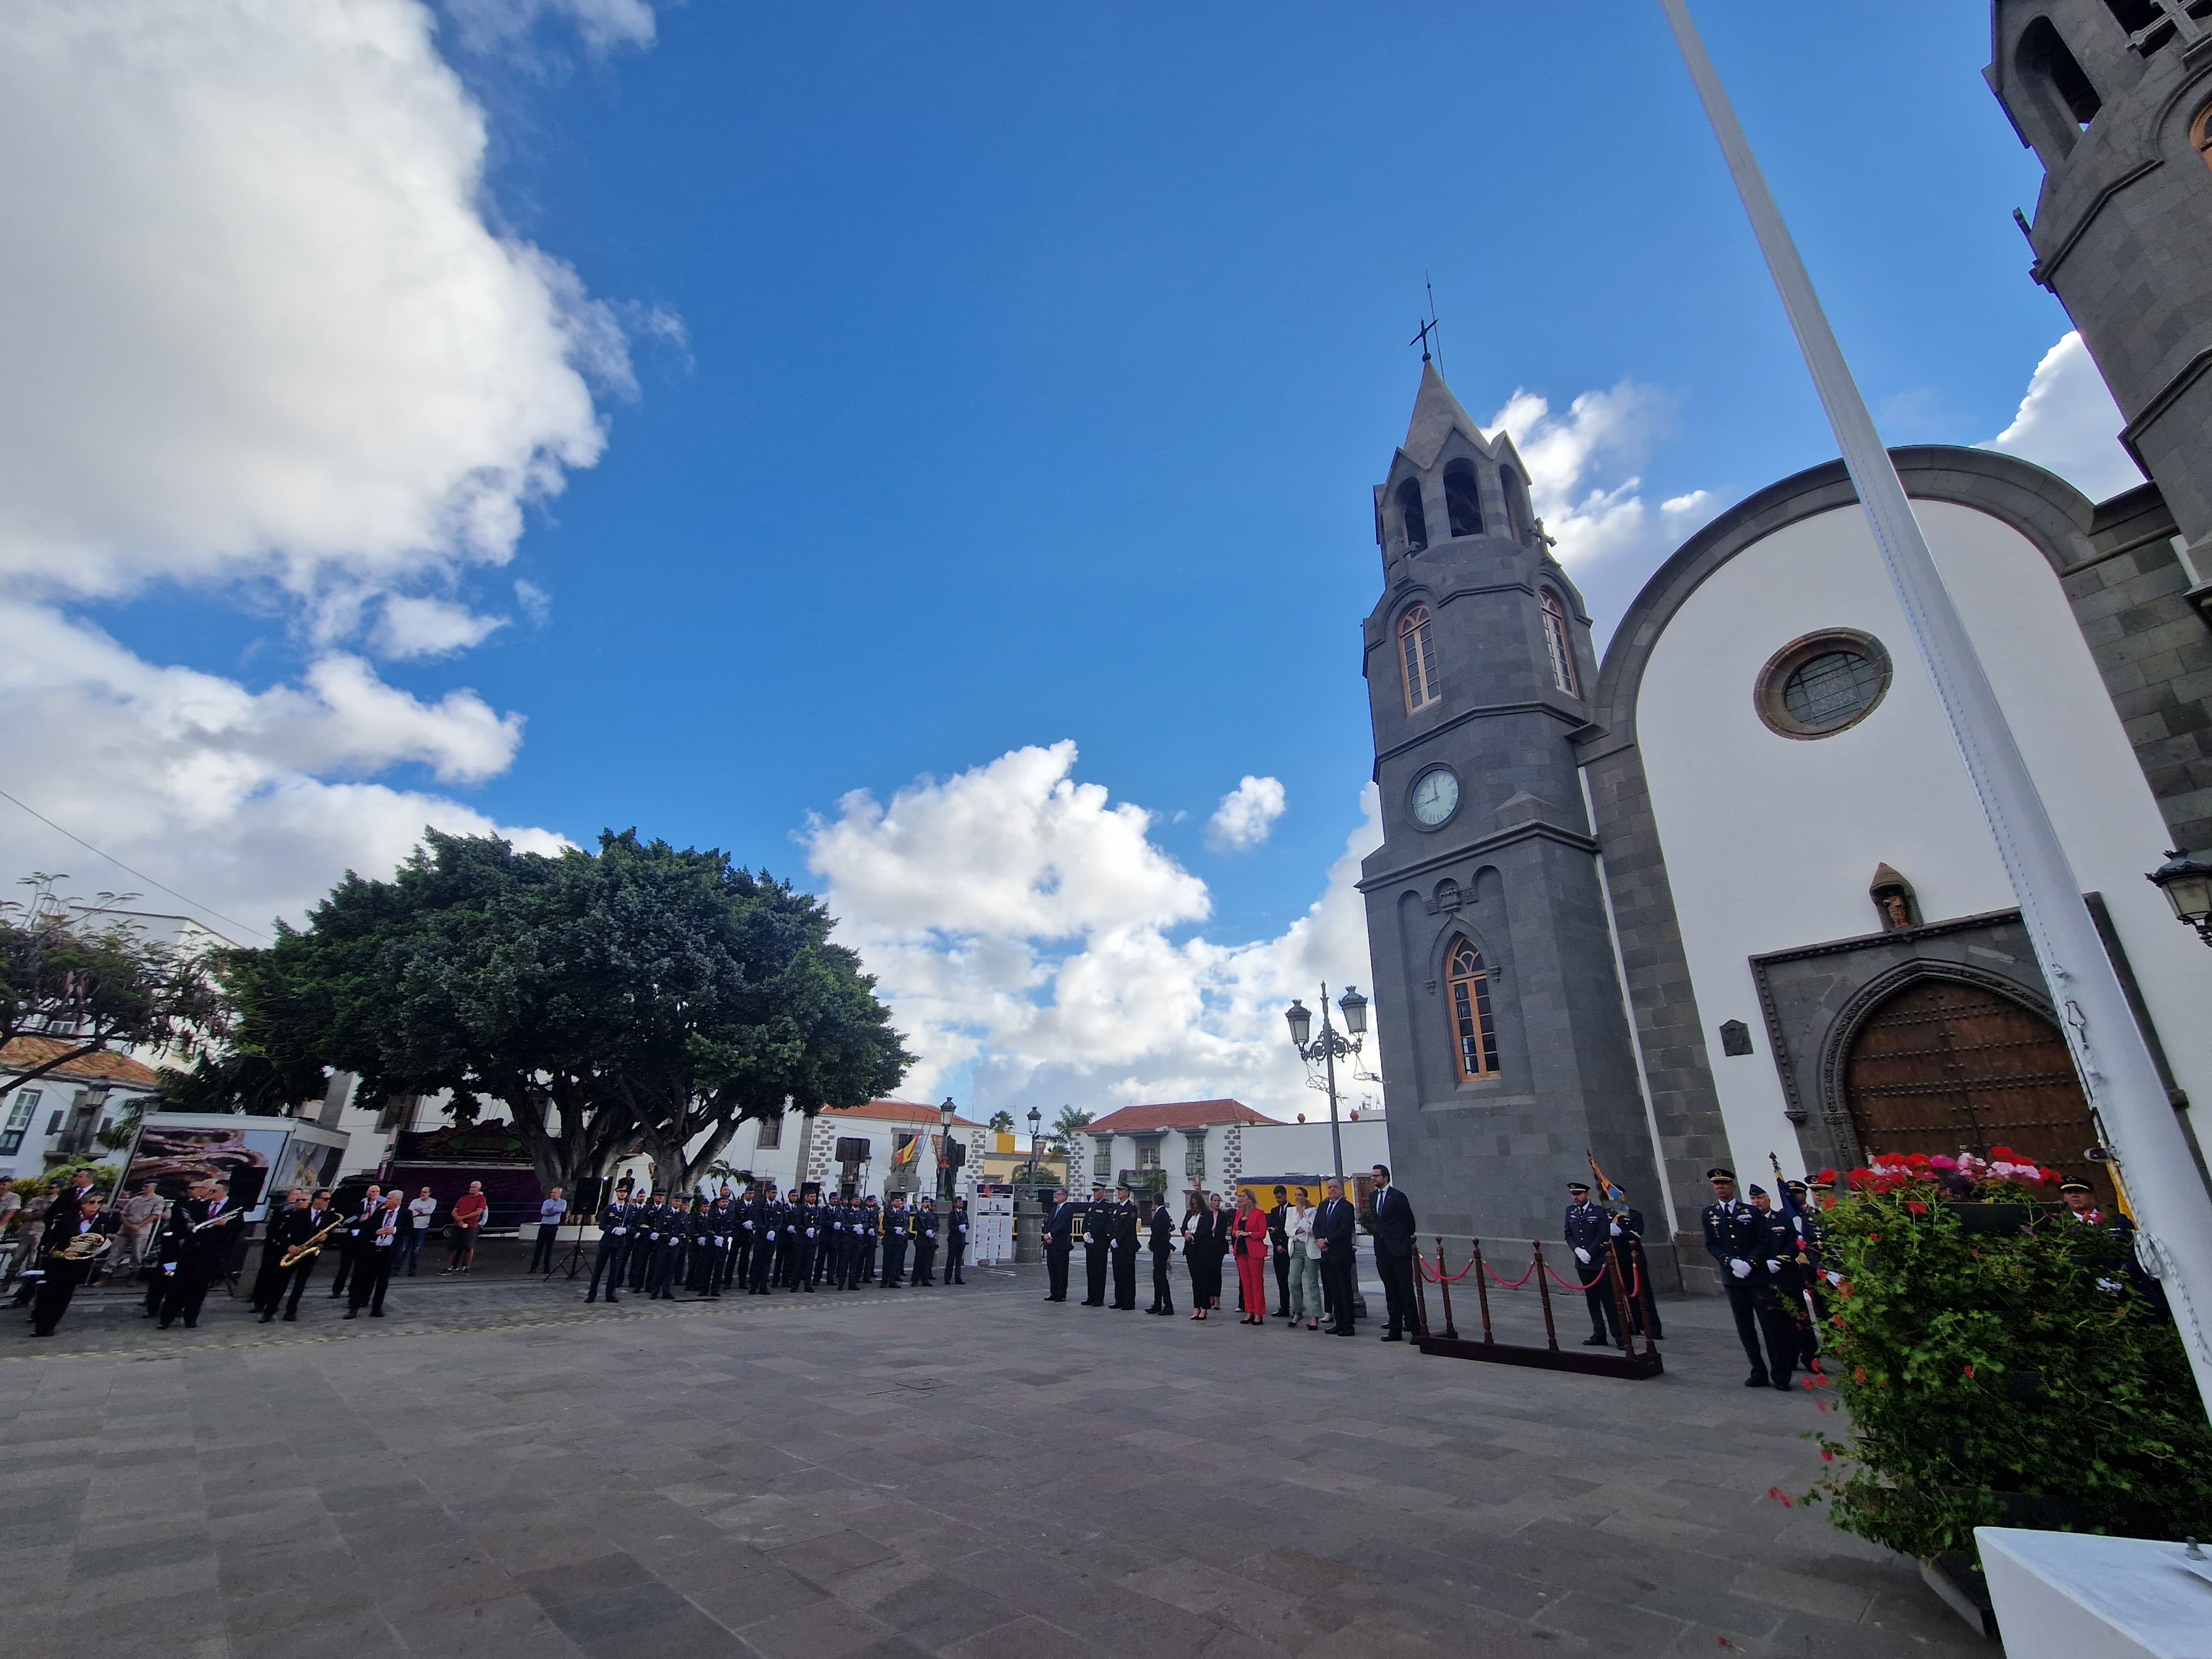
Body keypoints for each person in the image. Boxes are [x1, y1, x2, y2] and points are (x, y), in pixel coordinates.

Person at [1702, 1168, 1796, 1390]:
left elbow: (1764, 1242)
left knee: (1771, 1327)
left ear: (1733, 1186)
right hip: (1733, 1278)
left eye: (1724, 1183)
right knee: (1745, 1329)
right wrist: (1731, 1262)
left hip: (1757, 1278)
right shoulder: (1710, 1214)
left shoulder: (1751, 1212)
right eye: (1716, 1184)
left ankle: (1781, 1375)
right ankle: (1758, 1372)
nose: (1720, 1187)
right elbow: (1711, 1244)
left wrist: (1750, 1263)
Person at [159, 1177, 242, 1330]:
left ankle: (191, 1318)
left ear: (224, 1192)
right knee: (178, 1284)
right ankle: (166, 1318)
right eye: (210, 1190)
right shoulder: (201, 1205)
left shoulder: (234, 1205)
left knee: (200, 1287)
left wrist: (226, 1223)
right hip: (191, 1249)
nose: (211, 1193)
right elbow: (188, 1222)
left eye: (214, 1191)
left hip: (211, 1251)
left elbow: (239, 1226)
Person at [30, 1194, 110, 1338]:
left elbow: (106, 1239)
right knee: (47, 1292)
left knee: (65, 1294)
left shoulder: (104, 1220)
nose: (96, 1205)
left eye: (99, 1202)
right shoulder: (65, 1217)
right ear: (83, 1204)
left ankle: (50, 1325)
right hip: (59, 1260)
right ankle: (40, 1323)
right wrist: (53, 1252)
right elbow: (50, 1238)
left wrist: (97, 1251)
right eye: (92, 1202)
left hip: (80, 1263)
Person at [1564, 1180, 1620, 1348]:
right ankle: (1599, 1334)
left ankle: (1619, 1335)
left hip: (1598, 1262)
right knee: (1592, 1300)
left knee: (1608, 1300)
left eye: (1578, 1194)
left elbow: (1603, 1235)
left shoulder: (1598, 1211)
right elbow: (1568, 1234)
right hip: (1582, 1263)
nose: (1576, 1198)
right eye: (1574, 1195)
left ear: (1586, 1195)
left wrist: (1590, 1252)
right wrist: (1577, 1251)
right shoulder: (1570, 1212)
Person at [269, 1188, 337, 1321]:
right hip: (294, 1251)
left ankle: (291, 1311)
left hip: (310, 1254)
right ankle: (270, 1310)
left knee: (300, 1284)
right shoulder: (298, 1214)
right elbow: (280, 1233)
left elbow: (334, 1237)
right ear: (316, 1200)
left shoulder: (329, 1217)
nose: (328, 1202)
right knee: (281, 1283)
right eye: (326, 1199)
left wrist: (327, 1237)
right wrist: (289, 1246)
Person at [1370, 1164, 1418, 1342]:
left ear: (1385, 1177)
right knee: (1391, 1291)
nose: (1373, 1179)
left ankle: (1415, 1329)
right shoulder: (1374, 1196)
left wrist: (1400, 1241)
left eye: (1376, 1176)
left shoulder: (1397, 1197)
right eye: (1372, 1176)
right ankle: (1395, 1329)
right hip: (1383, 1253)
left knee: (1405, 1290)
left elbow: (1409, 1223)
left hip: (1398, 1251)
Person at [1606, 1193, 1662, 1340]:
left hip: (1633, 1260)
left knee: (1644, 1294)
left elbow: (1637, 1234)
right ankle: (1634, 1324)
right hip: (1617, 1262)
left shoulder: (1634, 1215)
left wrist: (1620, 1233)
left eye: (1617, 1199)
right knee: (1625, 1294)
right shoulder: (1607, 1217)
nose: (1615, 1202)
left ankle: (1653, 1328)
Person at [252, 1188, 312, 1319]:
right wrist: (287, 1244)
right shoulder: (286, 1212)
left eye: (303, 1199)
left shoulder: (313, 1214)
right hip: (281, 1249)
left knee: (298, 1282)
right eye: (296, 1198)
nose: (299, 1201)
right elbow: (276, 1230)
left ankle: (290, 1310)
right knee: (274, 1279)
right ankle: (265, 1306)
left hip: (305, 1252)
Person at [346, 1190, 405, 1318]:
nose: (386, 1201)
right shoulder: (380, 1212)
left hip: (389, 1251)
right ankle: (354, 1308)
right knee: (364, 1278)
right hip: (374, 1249)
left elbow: (409, 1230)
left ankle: (377, 1308)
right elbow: (367, 1228)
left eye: (389, 1199)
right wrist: (376, 1231)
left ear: (398, 1201)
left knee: (383, 1281)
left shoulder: (405, 1213)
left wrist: (394, 1230)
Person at [1314, 1178, 1359, 1337]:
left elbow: (1345, 1229)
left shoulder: (1347, 1207)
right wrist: (1320, 1240)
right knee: (1333, 1290)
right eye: (1330, 1187)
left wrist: (1327, 1241)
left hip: (1341, 1254)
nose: (1332, 1190)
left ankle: (1348, 1325)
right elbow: (1317, 1225)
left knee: (1344, 1290)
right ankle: (1338, 1322)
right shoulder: (1324, 1205)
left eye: (1336, 1187)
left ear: (1341, 1189)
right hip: (1326, 1255)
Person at [587, 1186, 639, 1303]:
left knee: (614, 1270)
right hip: (607, 1242)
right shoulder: (609, 1209)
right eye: (620, 1192)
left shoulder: (629, 1209)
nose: (622, 1194)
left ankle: (610, 1294)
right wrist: (613, 1229)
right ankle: (592, 1294)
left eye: (624, 1192)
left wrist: (626, 1229)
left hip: (619, 1243)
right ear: (617, 1193)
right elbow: (602, 1225)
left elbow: (631, 1224)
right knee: (598, 1269)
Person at [329, 1183, 380, 1298]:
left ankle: (353, 1291)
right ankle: (337, 1290)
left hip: (366, 1241)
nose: (375, 1194)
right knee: (344, 1267)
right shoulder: (357, 1206)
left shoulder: (380, 1208)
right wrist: (359, 1220)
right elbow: (347, 1221)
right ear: (368, 1193)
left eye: (377, 1192)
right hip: (352, 1240)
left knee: (360, 1268)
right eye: (373, 1192)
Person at [1284, 1187, 1321, 1330]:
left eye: (1300, 1195)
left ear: (1305, 1197)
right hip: (1296, 1248)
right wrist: (1298, 1230)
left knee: (1312, 1283)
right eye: (1296, 1195)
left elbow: (1310, 1229)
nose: (1297, 1197)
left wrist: (1303, 1216)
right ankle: (1298, 1310)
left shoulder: (1313, 1211)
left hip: (1309, 1248)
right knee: (1293, 1281)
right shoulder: (1290, 1211)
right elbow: (1289, 1230)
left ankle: (1316, 1315)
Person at [1232, 1190, 1270, 1325]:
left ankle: (1259, 1313)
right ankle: (1249, 1311)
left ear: (1250, 1199)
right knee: (1246, 1283)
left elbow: (1262, 1233)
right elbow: (1233, 1230)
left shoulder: (1259, 1214)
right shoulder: (1239, 1214)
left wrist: (1248, 1234)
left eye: (1243, 1197)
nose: (1240, 1199)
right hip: (1241, 1251)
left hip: (1254, 1251)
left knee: (1257, 1283)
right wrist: (1236, 1232)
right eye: (1240, 1197)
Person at [1183, 1191, 1223, 1321]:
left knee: (1203, 1279)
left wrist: (1193, 1237)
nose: (1194, 1207)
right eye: (1192, 1204)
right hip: (1190, 1250)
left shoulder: (1207, 1215)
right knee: (1195, 1280)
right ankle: (1196, 1307)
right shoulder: (1189, 1214)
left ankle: (1204, 1308)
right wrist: (1186, 1233)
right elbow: (1184, 1226)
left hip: (1202, 1250)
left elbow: (1206, 1230)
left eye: (1196, 1204)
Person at [117, 1180, 166, 1272]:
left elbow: (155, 1215)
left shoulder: (158, 1200)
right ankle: (106, 1274)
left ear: (153, 1187)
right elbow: (123, 1213)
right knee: (115, 1252)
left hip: (141, 1230)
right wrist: (128, 1224)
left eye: (146, 1186)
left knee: (137, 1254)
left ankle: (133, 1275)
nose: (143, 1188)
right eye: (143, 1186)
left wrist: (139, 1226)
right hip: (125, 1228)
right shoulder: (135, 1199)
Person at [445, 1181, 487, 1274]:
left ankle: (466, 1267)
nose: (472, 1188)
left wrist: (463, 1218)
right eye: (471, 1187)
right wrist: (458, 1219)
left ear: (479, 1189)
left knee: (469, 1247)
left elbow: (478, 1212)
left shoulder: (482, 1199)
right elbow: (455, 1211)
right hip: (458, 1226)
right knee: (453, 1246)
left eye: (474, 1187)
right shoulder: (463, 1198)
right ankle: (449, 1267)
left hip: (471, 1226)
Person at [1109, 1185, 1140, 1310]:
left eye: (1121, 1191)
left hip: (1127, 1246)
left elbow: (1128, 1227)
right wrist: (1112, 1238)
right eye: (1118, 1191)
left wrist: (1118, 1240)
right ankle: (1119, 1300)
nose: (1119, 1193)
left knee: (1128, 1275)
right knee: (1118, 1274)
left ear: (1127, 1193)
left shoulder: (1131, 1208)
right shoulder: (1116, 1208)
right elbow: (1111, 1224)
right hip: (1116, 1246)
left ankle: (1129, 1301)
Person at [1146, 1194, 1177, 1316]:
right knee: (1158, 1277)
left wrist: (1151, 1244)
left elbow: (1157, 1233)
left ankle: (1168, 1305)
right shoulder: (1164, 1213)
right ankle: (1157, 1303)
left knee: (1161, 1277)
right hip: (1162, 1248)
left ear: (1155, 1203)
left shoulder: (1160, 1215)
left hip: (1160, 1249)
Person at [1081, 1185, 1110, 1307]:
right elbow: (1086, 1221)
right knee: (1091, 1271)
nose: (1095, 1194)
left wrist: (1093, 1234)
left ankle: (1099, 1298)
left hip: (1099, 1243)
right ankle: (1091, 1296)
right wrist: (1085, 1233)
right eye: (1094, 1191)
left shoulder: (1106, 1207)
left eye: (1097, 1191)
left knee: (1099, 1271)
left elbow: (1104, 1224)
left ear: (1103, 1192)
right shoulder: (1092, 1206)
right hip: (1090, 1243)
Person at [1042, 1188, 1074, 1302]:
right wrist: (1046, 1235)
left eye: (1059, 1195)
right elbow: (1047, 1223)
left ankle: (1061, 1293)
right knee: (1052, 1269)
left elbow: (1063, 1225)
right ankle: (1053, 1292)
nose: (1057, 1197)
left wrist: (1051, 1235)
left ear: (1065, 1196)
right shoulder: (1054, 1209)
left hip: (1061, 1244)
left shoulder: (1068, 1209)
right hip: (1051, 1244)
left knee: (1061, 1270)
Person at [529, 1187, 568, 1273]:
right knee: (539, 1247)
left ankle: (547, 1268)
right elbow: (544, 1212)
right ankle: (533, 1268)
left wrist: (552, 1209)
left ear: (559, 1194)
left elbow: (562, 1210)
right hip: (544, 1226)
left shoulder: (563, 1202)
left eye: (555, 1193)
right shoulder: (547, 1202)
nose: (553, 1194)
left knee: (549, 1248)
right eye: (552, 1192)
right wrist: (554, 1210)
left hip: (553, 1227)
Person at [400, 1186, 436, 1276]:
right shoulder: (415, 1201)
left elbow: (430, 1211)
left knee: (416, 1250)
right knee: (403, 1249)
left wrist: (419, 1211)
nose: (423, 1194)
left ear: (429, 1193)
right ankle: (396, 1269)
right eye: (422, 1192)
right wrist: (421, 1212)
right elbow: (410, 1212)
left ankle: (412, 1271)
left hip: (422, 1228)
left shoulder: (433, 1201)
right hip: (412, 1227)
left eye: (425, 1192)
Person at [1267, 1186, 1291, 1317]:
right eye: (1276, 1198)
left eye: (1280, 1197)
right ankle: (1284, 1306)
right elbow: (1271, 1230)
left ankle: (1298, 1307)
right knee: (1281, 1280)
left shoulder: (1292, 1210)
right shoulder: (1274, 1211)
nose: (1278, 1200)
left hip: (1289, 1249)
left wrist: (1285, 1245)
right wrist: (1277, 1245)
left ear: (1285, 1195)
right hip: (1278, 1250)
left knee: (1294, 1281)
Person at [881, 1194, 911, 1288]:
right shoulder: (888, 1213)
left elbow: (906, 1225)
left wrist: (902, 1230)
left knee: (895, 1262)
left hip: (899, 1240)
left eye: (900, 1202)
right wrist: (894, 1230)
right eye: (897, 1201)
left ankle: (892, 1281)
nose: (899, 1203)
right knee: (887, 1262)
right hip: (890, 1240)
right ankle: (884, 1280)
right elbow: (885, 1225)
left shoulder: (902, 1213)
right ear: (892, 1202)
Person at [912, 1196, 940, 1286]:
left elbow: (936, 1225)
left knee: (927, 1262)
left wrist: (933, 1231)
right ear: (922, 1203)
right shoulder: (919, 1215)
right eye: (926, 1202)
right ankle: (915, 1279)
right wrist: (925, 1232)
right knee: (919, 1261)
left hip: (930, 1241)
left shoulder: (932, 1214)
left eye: (928, 1202)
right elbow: (916, 1227)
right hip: (921, 1240)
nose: (928, 1203)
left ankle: (925, 1279)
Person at [946, 1196, 970, 1285]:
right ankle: (948, 1278)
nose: (961, 1203)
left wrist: (965, 1227)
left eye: (962, 1202)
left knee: (959, 1260)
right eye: (959, 1202)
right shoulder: (952, 1213)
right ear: (955, 1203)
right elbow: (951, 1226)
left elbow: (968, 1224)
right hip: (953, 1239)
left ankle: (958, 1277)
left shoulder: (964, 1214)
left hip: (961, 1239)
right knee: (951, 1259)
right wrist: (958, 1228)